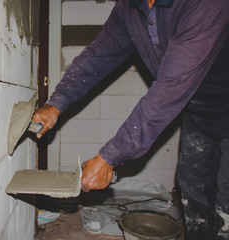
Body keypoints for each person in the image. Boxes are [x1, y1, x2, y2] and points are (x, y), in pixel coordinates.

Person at [32, 0, 229, 239]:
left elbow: (170, 89)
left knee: (226, 205)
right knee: (194, 199)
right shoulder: (129, 7)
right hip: (198, 110)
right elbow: (97, 56)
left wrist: (108, 158)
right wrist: (56, 104)